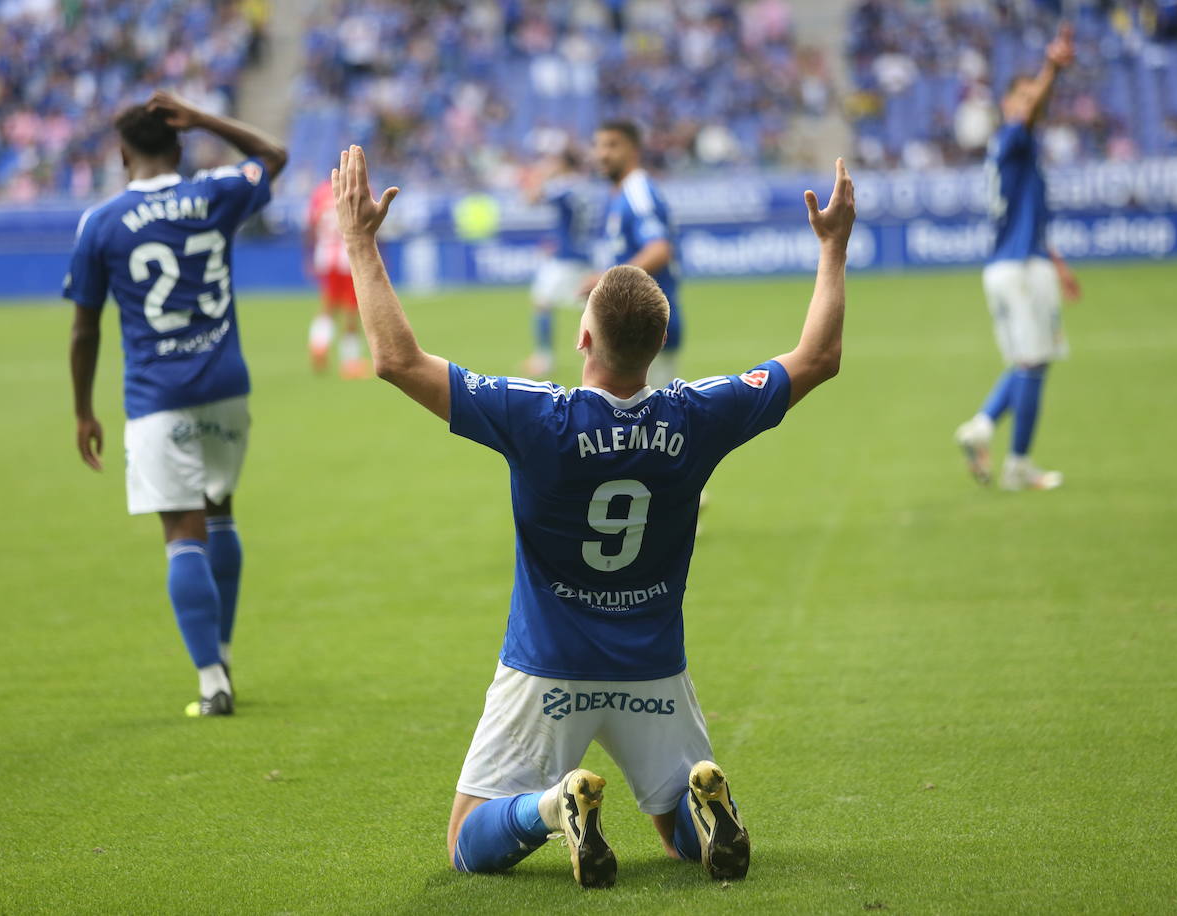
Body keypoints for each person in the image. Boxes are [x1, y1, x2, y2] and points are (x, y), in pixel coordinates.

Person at [330, 144, 855, 887]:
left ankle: (551, 809)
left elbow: (395, 359)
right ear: (656, 344)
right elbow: (819, 355)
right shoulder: (697, 414)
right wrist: (833, 249)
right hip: (652, 669)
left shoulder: (535, 416)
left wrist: (357, 240)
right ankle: (697, 806)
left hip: (547, 670)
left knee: (465, 843)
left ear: (582, 337)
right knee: (678, 838)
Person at [65, 91, 287, 716]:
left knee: (181, 530)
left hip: (158, 396)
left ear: (120, 153)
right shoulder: (214, 192)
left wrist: (83, 410)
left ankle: (212, 681)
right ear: (180, 144)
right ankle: (221, 649)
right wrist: (206, 116)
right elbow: (273, 155)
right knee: (219, 512)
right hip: (227, 385)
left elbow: (85, 329)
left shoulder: (102, 222)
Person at [954, 24, 1082, 491]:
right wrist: (1052, 67)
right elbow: (1030, 113)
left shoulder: (1014, 149)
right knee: (1033, 363)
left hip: (1014, 265)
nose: (1034, 105)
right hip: (1022, 270)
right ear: (1010, 104)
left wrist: (1060, 263)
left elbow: (1028, 218)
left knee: (1031, 360)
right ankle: (1019, 466)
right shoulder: (1013, 135)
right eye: (1026, 98)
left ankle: (982, 427)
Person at [583, 120, 684, 390]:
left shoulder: (637, 191)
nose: (602, 154)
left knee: (646, 427)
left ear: (634, 150)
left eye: (612, 145)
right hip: (625, 332)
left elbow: (659, 250)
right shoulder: (618, 194)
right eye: (599, 146)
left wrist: (605, 280)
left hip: (644, 332)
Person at [522, 149, 593, 378]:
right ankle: (602, 350)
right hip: (581, 252)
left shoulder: (564, 186)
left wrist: (541, 174)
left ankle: (544, 359)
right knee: (591, 304)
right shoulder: (583, 186)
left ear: (563, 163)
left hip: (566, 258)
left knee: (542, 302)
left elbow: (531, 198)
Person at [305, 178, 373, 379]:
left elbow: (310, 227)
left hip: (324, 256)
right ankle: (350, 363)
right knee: (352, 310)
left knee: (328, 306)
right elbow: (369, 225)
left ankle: (318, 345)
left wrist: (308, 256)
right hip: (347, 258)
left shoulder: (320, 192)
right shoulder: (359, 190)